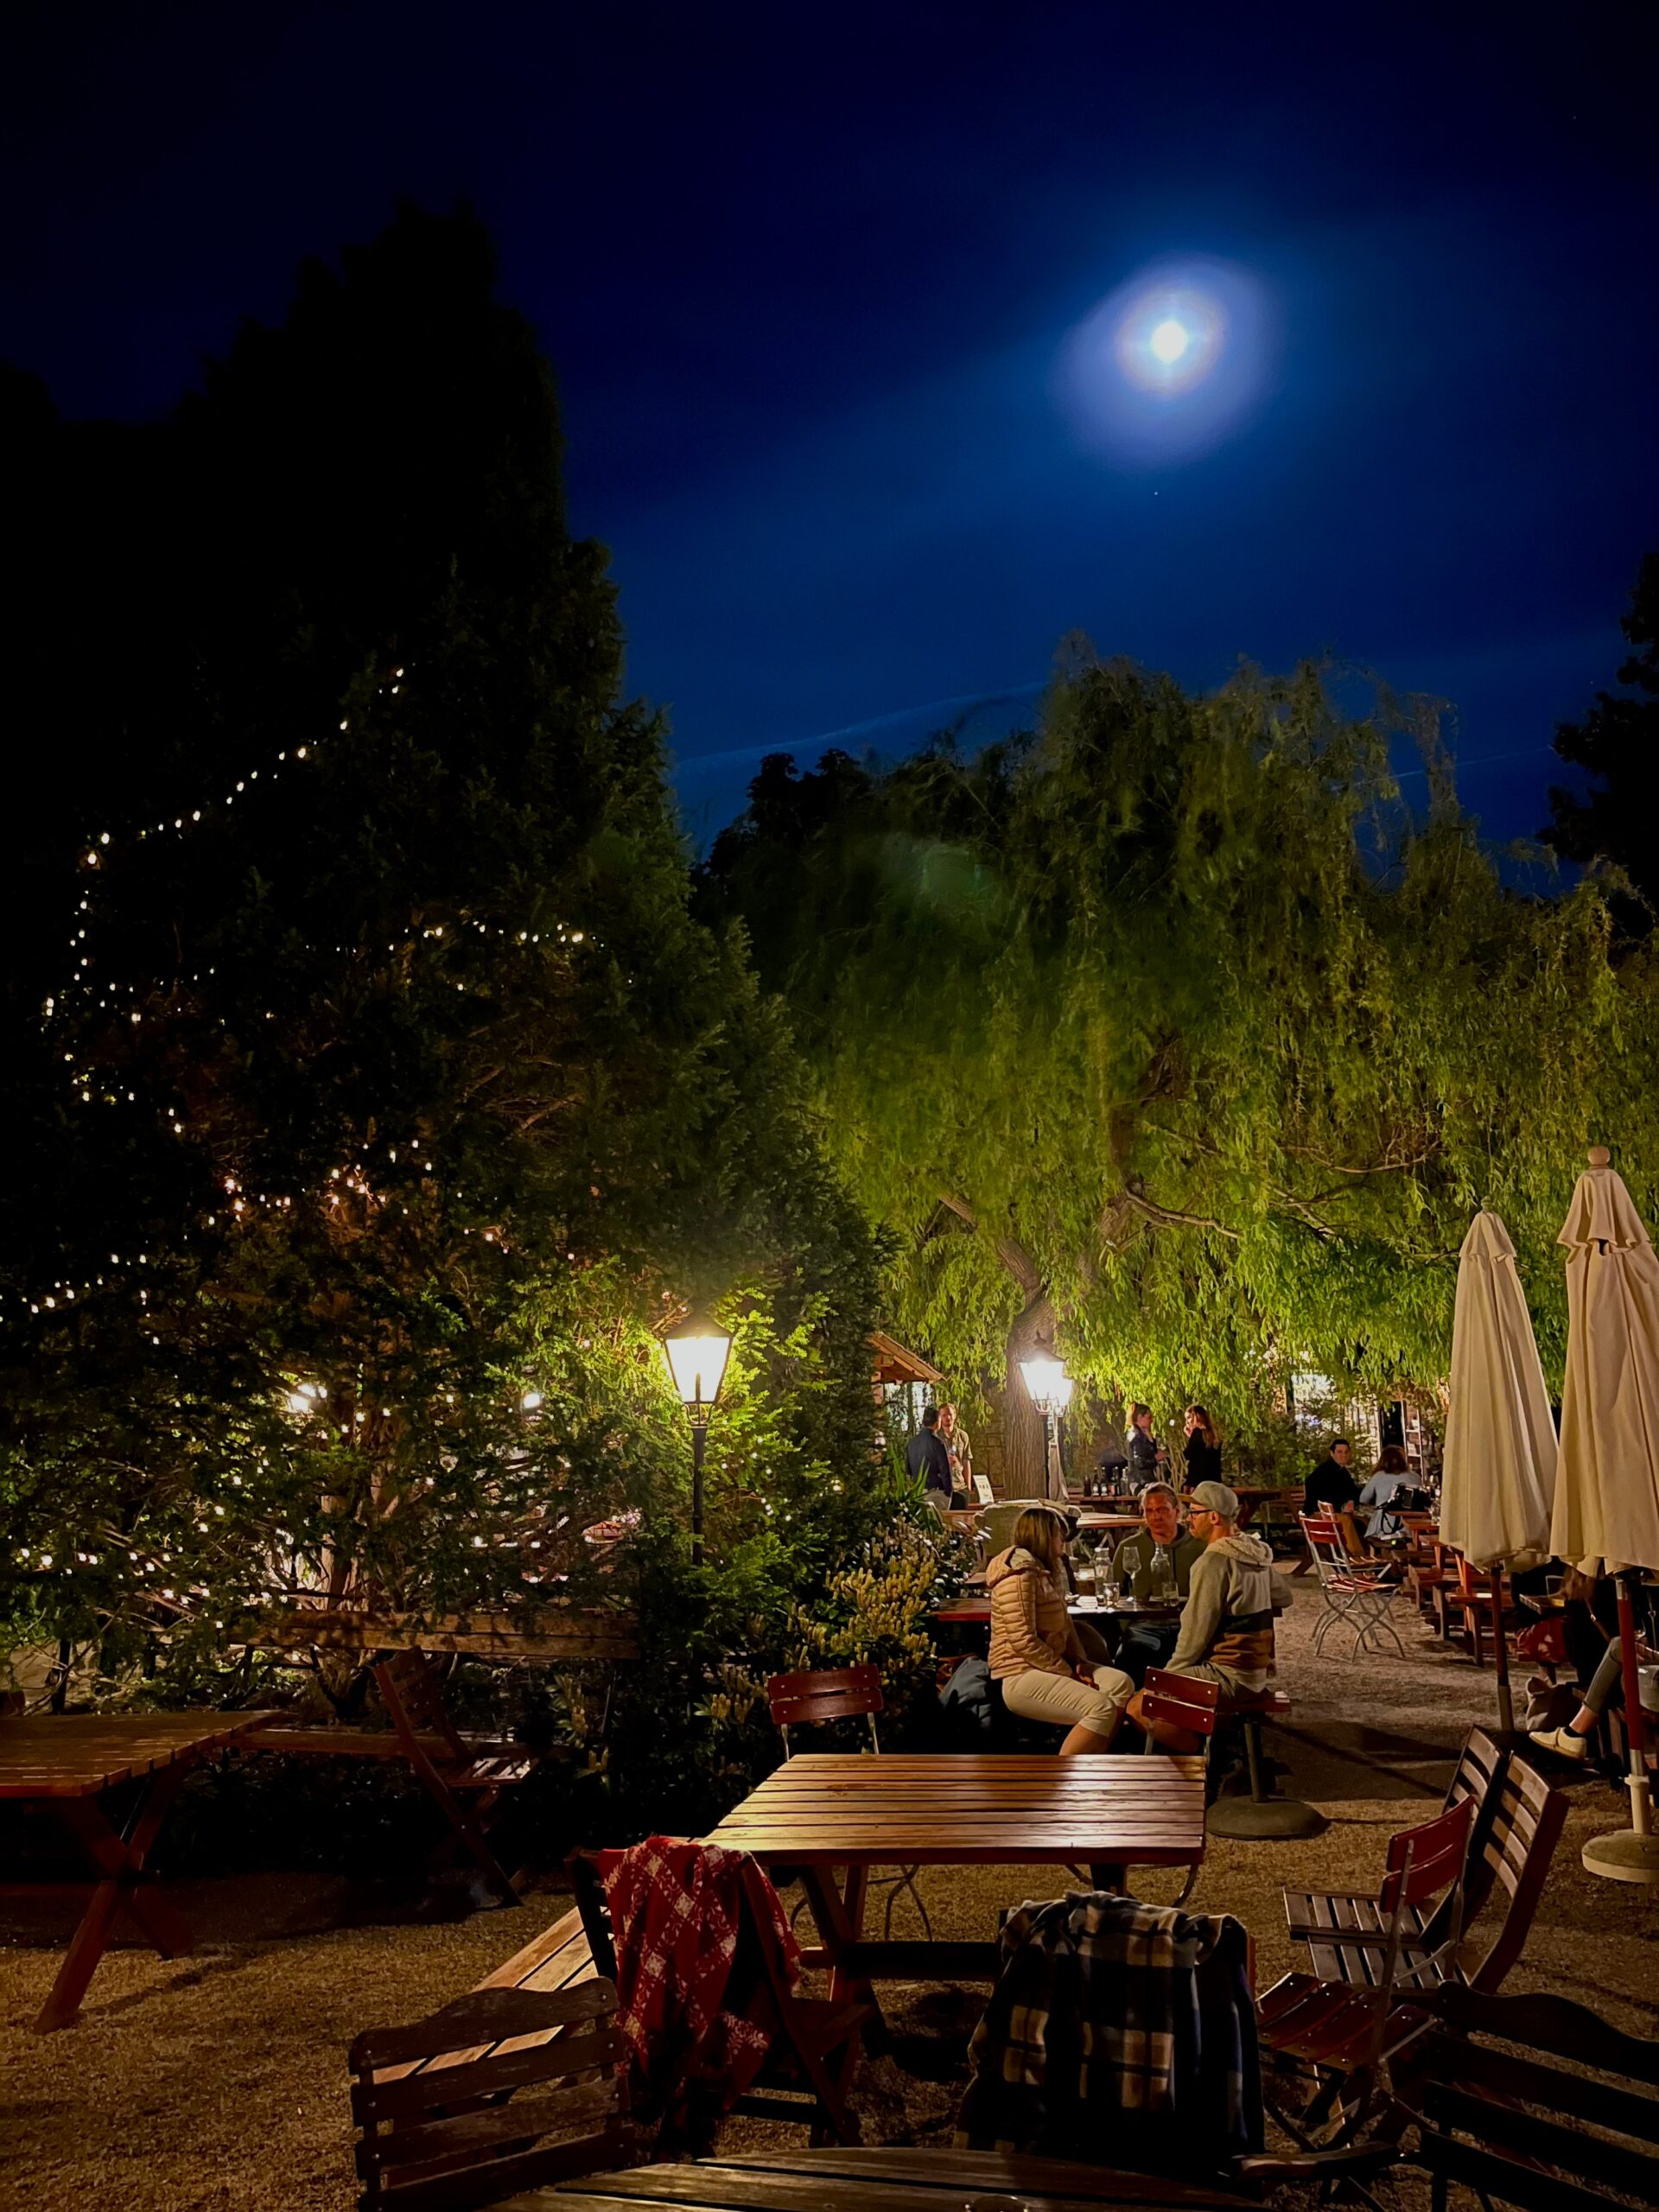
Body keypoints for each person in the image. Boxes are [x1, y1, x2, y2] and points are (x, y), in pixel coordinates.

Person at [1127, 1481, 1277, 1751]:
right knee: (1151, 1695)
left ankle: (1210, 1758)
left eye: (1194, 1512)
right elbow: (1283, 1597)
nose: (1188, 1518)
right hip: (1256, 1670)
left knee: (1138, 1706)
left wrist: (1167, 1678)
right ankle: (1216, 1751)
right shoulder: (1254, 1553)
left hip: (1228, 1675)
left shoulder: (1213, 1562)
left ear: (1214, 1517)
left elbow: (1194, 1635)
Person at [987, 1505, 1134, 1753]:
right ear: (1044, 1536)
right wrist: (1068, 1672)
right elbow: (1023, 1641)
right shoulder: (1019, 1575)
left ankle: (1098, 1755)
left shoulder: (1048, 1569)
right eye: (1058, 1533)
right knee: (1099, 1707)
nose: (1063, 1540)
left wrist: (1078, 1660)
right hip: (1020, 1672)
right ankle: (1063, 1779)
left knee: (1121, 1684)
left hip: (1053, 1663)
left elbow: (1065, 1623)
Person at [1530, 1570, 1654, 1762]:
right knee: (1622, 1653)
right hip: (1621, 1678)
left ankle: (1575, 1733)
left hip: (1601, 1678)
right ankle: (1575, 1733)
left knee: (1620, 1649)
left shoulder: (1580, 1589)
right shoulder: (1637, 1584)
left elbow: (1576, 1656)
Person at [1107, 1482, 1206, 1684]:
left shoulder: (1200, 1547)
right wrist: (1129, 1625)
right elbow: (1115, 1591)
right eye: (1149, 1511)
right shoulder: (1131, 1547)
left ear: (1177, 1512)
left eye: (1162, 1510)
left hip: (1188, 1627)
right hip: (1144, 1627)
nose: (1155, 1517)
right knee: (1129, 1657)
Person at [1357, 1444, 1413, 1541]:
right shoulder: (1415, 1477)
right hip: (1410, 1526)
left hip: (1385, 1526)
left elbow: (1363, 1499)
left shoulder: (1378, 1476)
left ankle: (1372, 1552)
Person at [906, 1404, 955, 1511]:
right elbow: (945, 1472)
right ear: (937, 1422)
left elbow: (908, 1470)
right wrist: (948, 1492)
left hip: (918, 1492)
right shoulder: (938, 1443)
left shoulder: (911, 1443)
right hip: (936, 1493)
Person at [939, 1402, 974, 1499]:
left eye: (950, 1414)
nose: (948, 1418)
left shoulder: (963, 1436)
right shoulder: (936, 1437)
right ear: (940, 1418)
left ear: (955, 1415)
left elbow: (966, 1461)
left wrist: (968, 1487)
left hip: (960, 1487)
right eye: (944, 1415)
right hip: (943, 1489)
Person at [1182, 1405, 1222, 1490]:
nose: (1187, 1422)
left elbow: (1188, 1454)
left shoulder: (1197, 1433)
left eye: (1188, 1417)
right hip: (1214, 1479)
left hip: (1198, 1480)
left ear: (1196, 1417)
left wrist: (1191, 1438)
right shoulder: (1214, 1434)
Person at [1126, 1404, 1160, 1485]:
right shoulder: (1137, 1436)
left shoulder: (1138, 1434)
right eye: (1148, 1417)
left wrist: (1150, 1438)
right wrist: (1155, 1459)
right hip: (1142, 1481)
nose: (1151, 1421)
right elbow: (1140, 1462)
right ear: (1140, 1417)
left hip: (1141, 1480)